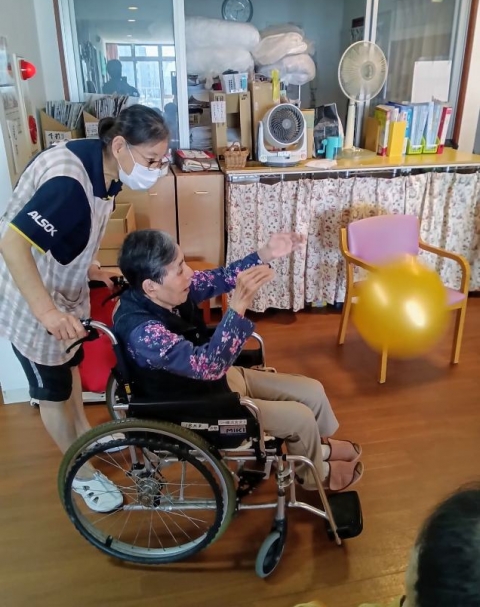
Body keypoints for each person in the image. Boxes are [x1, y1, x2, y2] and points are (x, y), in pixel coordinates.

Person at [0, 104, 170, 512]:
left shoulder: (105, 171)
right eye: (151, 160)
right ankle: (82, 474)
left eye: (160, 161)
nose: (156, 169)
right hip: (31, 299)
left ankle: (83, 433)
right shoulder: (69, 182)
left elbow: (75, 228)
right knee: (53, 391)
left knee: (71, 366)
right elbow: (12, 244)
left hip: (63, 288)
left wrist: (90, 266)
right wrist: (47, 314)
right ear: (120, 145)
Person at [113, 229, 364, 493]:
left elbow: (223, 277)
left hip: (213, 382)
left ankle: (313, 449)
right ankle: (313, 475)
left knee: (312, 390)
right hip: (194, 405)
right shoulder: (143, 332)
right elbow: (210, 366)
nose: (190, 273)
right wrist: (238, 305)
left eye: (183, 262)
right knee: (300, 418)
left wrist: (266, 253)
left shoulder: (166, 291)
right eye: (179, 269)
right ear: (150, 286)